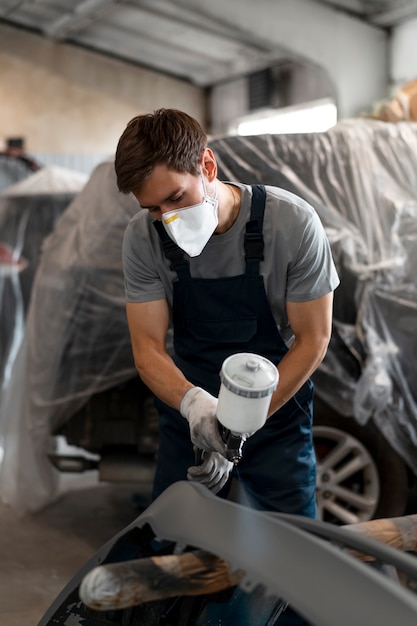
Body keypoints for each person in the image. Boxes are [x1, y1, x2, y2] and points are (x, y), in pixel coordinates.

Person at [115, 108, 339, 625]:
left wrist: (241, 424)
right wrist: (198, 410)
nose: (167, 220)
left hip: (277, 421)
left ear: (208, 167)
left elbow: (314, 338)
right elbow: (148, 348)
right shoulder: (142, 239)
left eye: (176, 199)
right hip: (188, 421)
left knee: (291, 571)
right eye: (153, 209)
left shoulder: (291, 223)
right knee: (174, 567)